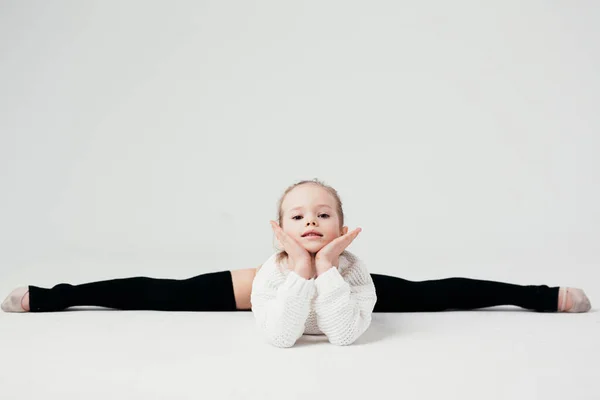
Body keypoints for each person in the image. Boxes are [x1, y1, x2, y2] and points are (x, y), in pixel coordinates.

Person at [2, 179, 592, 344]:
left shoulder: (353, 271)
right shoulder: (268, 271)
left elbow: (343, 332)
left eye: (323, 215)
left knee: (439, 290)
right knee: (160, 289)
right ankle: (53, 294)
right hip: (270, 284)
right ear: (280, 228)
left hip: (344, 284)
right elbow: (282, 337)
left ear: (342, 225)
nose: (311, 223)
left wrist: (329, 266)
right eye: (298, 216)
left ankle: (541, 295)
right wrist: (296, 266)